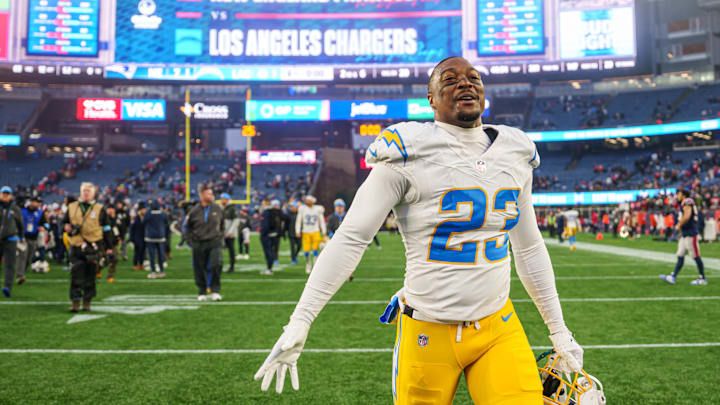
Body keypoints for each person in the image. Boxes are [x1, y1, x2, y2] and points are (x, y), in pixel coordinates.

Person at [254, 56, 584, 404]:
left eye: (473, 77)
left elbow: (529, 248)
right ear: (431, 98)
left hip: (498, 326)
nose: (465, 83)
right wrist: (300, 320)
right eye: (450, 79)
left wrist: (558, 330)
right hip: (428, 330)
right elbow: (351, 238)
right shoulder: (406, 153)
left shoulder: (515, 152)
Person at [63, 182, 114, 312]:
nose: (86, 193)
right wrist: (67, 228)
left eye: (89, 191)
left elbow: (107, 229)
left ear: (93, 193)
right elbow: (63, 223)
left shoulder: (100, 208)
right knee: (75, 273)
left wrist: (109, 246)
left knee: (90, 275)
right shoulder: (71, 206)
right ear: (80, 192)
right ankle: (75, 302)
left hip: (93, 246)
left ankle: (87, 302)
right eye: (84, 191)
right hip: (76, 245)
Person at [185, 184, 224, 301]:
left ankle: (215, 290)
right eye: (209, 193)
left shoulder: (218, 208)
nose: (212, 195)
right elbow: (188, 228)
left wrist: (220, 236)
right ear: (202, 195)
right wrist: (191, 241)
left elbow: (222, 225)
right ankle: (202, 291)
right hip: (199, 242)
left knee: (216, 264)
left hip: (214, 241)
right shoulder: (194, 211)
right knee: (199, 267)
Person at [660, 189, 707, 285]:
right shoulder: (684, 203)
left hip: (691, 233)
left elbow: (687, 216)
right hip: (685, 234)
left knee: (695, 256)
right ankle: (673, 276)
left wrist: (679, 225)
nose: (677, 196)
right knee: (680, 254)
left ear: (683, 195)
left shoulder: (687, 201)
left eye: (678, 194)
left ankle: (702, 278)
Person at [16, 196, 48, 285]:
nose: (38, 204)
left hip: (34, 238)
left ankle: (22, 272)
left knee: (29, 259)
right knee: (22, 256)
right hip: (23, 237)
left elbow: (46, 223)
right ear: (31, 202)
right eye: (36, 202)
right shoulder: (22, 211)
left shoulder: (40, 213)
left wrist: (44, 227)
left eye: (39, 202)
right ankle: (20, 275)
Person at [0, 186, 24, 298]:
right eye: (3, 193)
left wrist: (21, 236)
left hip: (10, 240)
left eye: (7, 193)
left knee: (10, 265)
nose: (5, 195)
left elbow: (20, 224)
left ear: (11, 195)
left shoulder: (15, 209)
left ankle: (7, 287)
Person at [295, 195, 326, 274]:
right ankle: (308, 264)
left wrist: (324, 232)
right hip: (306, 232)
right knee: (306, 252)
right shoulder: (303, 209)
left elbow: (322, 221)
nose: (307, 201)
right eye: (306, 200)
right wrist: (297, 231)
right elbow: (299, 220)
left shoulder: (318, 209)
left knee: (316, 251)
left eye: (308, 200)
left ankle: (315, 266)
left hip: (316, 232)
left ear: (313, 201)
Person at [143, 199, 169, 279]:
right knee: (160, 254)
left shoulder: (148, 212)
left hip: (150, 237)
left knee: (152, 255)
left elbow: (144, 222)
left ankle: (153, 272)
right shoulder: (163, 213)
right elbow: (166, 223)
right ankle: (161, 271)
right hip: (160, 237)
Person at [260, 200, 283, 275]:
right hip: (274, 234)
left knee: (268, 252)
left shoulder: (267, 212)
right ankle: (270, 268)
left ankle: (269, 269)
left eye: (263, 203)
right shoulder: (274, 211)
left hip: (267, 235)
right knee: (271, 251)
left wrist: (263, 233)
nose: (262, 204)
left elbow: (265, 224)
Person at [219, 193, 240, 273]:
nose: (222, 200)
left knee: (231, 250)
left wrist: (230, 232)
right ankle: (219, 266)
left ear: (227, 199)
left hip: (229, 234)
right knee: (218, 250)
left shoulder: (232, 208)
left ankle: (232, 266)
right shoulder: (220, 208)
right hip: (221, 233)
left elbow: (236, 221)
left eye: (223, 199)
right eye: (221, 198)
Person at [103, 203, 121, 283]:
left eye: (112, 208)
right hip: (103, 242)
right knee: (99, 259)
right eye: (109, 208)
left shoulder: (117, 218)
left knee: (114, 259)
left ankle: (110, 276)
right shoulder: (102, 218)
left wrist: (120, 237)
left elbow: (119, 229)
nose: (110, 210)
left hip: (113, 243)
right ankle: (97, 271)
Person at [130, 201, 147, 271]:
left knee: (143, 252)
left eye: (145, 209)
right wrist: (132, 238)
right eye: (143, 209)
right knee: (137, 252)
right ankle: (135, 265)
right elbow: (132, 229)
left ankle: (141, 264)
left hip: (144, 237)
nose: (144, 211)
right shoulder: (135, 218)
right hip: (137, 238)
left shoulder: (146, 217)